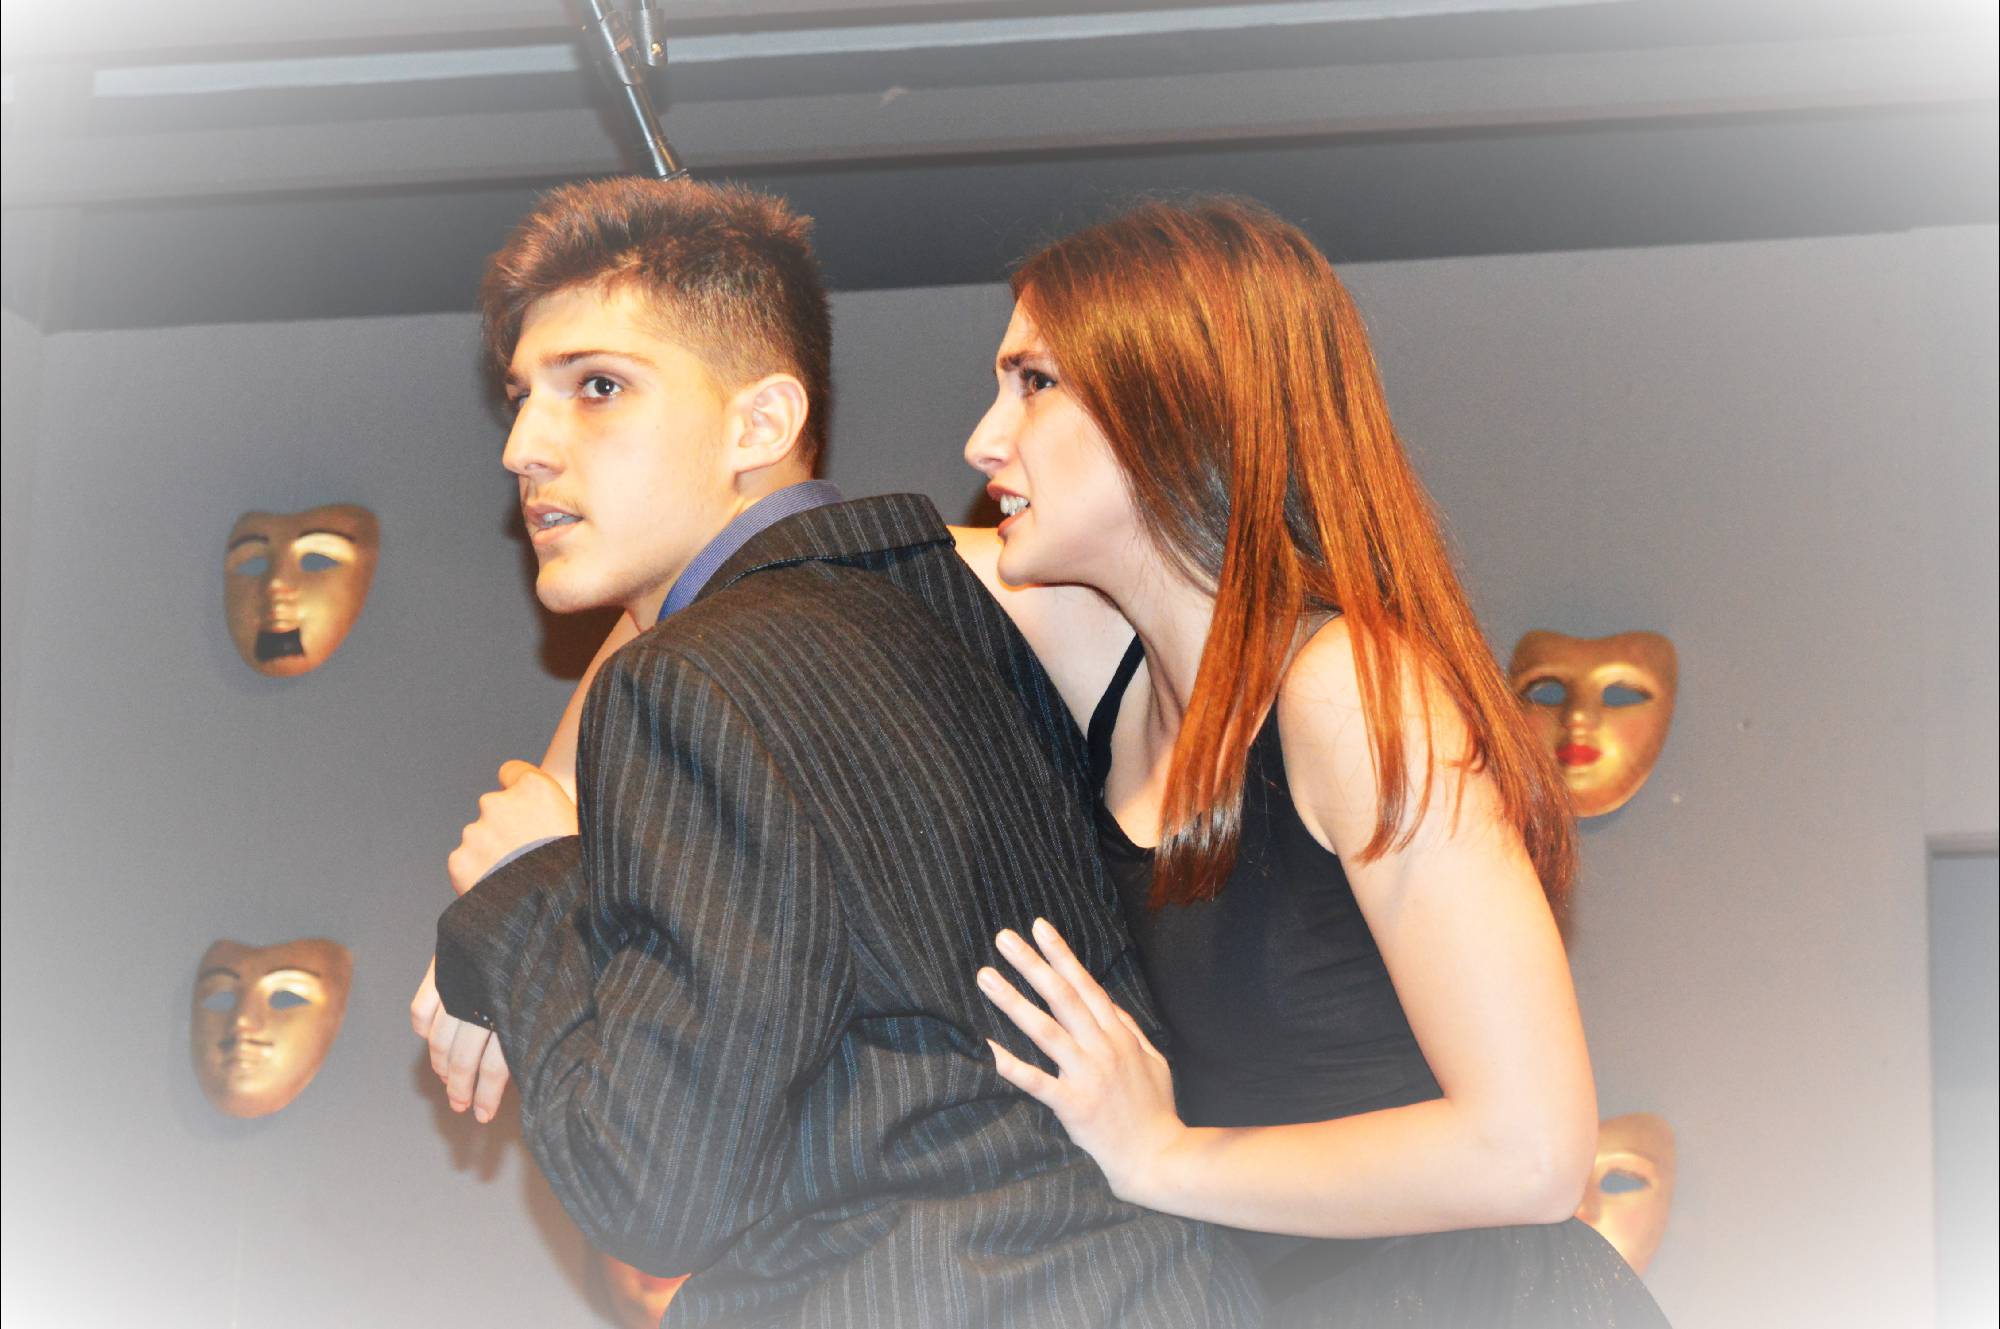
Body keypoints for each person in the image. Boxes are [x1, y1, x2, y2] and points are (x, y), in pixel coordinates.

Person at [406, 177, 1261, 1328]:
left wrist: (525, 890)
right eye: (520, 400)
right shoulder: (943, 598)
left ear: (759, 423)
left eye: (597, 387)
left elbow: (650, 1190)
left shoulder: (691, 684)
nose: (524, 448)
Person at [959, 198, 1670, 1324]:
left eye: (1034, 382)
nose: (984, 440)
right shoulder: (1115, 666)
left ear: (1178, 400)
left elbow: (1530, 1152)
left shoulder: (1347, 689)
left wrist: (1160, 1157)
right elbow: (810, 564)